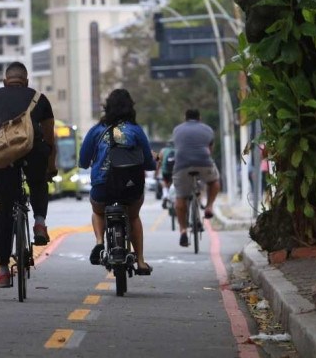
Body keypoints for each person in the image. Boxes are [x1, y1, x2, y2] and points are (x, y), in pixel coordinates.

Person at [0, 62, 57, 288]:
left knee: (4, 209)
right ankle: (40, 223)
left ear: (5, 82)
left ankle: (4, 271)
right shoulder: (40, 99)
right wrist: (50, 168)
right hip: (33, 152)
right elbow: (50, 139)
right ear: (26, 81)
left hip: (4, 157)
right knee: (38, 182)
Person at [78, 89, 155, 275]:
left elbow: (82, 162)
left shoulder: (96, 131)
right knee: (134, 216)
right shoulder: (136, 131)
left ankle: (99, 243)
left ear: (107, 108)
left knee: (97, 211)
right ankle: (141, 261)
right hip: (131, 189)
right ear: (131, 108)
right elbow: (149, 164)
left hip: (102, 188)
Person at [172, 109, 220, 247]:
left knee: (180, 199)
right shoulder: (207, 129)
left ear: (185, 118)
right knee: (214, 181)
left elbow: (179, 147)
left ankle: (182, 231)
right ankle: (209, 207)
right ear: (199, 118)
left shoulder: (177, 130)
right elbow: (210, 150)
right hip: (203, 163)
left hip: (182, 166)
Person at [156, 141, 176, 209]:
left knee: (164, 183)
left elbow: (158, 162)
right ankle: (173, 198)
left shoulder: (162, 151)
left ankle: (165, 195)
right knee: (173, 183)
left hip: (165, 171)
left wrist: (157, 172)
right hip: (175, 172)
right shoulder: (177, 150)